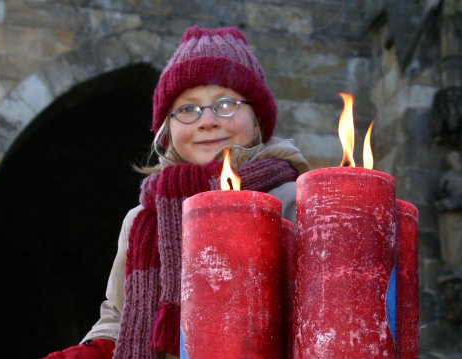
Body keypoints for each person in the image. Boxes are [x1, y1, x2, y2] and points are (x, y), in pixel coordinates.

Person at [43, 25, 310, 359]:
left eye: (226, 104)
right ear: (167, 130)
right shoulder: (142, 220)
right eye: (188, 109)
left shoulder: (295, 202)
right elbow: (118, 316)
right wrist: (93, 351)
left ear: (256, 119)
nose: (207, 120)